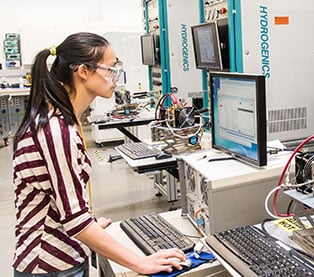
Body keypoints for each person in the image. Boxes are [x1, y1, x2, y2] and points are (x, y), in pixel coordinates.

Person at [12, 32, 187, 275]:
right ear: (83, 71)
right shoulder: (55, 130)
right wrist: (140, 262)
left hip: (64, 255)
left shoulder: (64, 120)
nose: (116, 76)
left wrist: (90, 225)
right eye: (111, 68)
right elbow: (73, 220)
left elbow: (62, 199)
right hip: (50, 263)